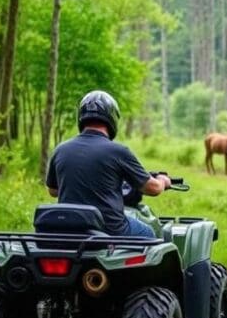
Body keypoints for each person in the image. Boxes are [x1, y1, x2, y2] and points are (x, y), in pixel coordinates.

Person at [45, 90, 171, 237]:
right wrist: (163, 180)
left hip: (68, 229)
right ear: (111, 118)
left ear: (81, 117)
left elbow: (53, 190)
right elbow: (153, 189)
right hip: (110, 230)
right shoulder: (118, 151)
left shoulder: (61, 149)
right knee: (149, 232)